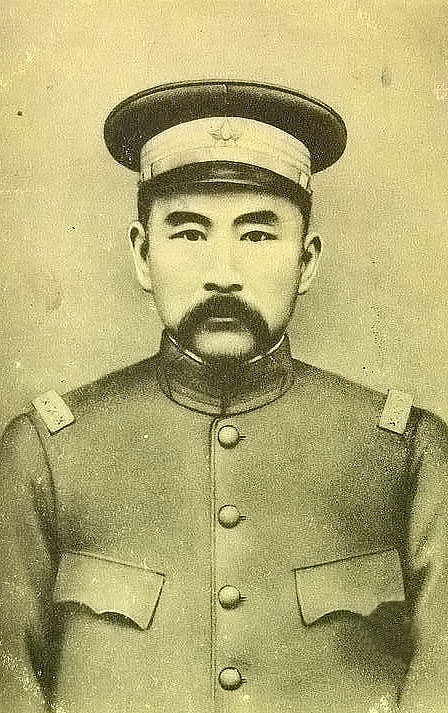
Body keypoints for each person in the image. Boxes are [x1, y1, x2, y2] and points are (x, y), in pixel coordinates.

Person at [0, 80, 447, 713]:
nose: (223, 274)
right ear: (142, 254)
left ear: (308, 260)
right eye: (189, 234)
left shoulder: (406, 452)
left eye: (257, 235)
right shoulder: (46, 452)